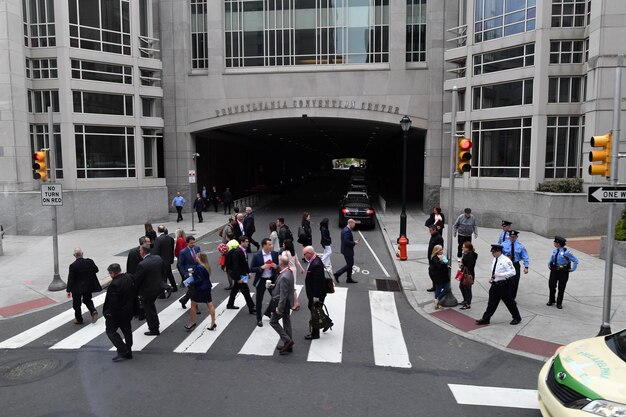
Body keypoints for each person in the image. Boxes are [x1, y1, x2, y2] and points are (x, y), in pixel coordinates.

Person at [475, 244, 522, 326]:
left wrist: (500, 275)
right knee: (491, 302)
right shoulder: (495, 259)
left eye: (493, 252)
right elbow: (494, 271)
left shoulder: (506, 260)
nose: (492, 254)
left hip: (504, 285)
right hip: (495, 284)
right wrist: (492, 278)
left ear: (498, 251)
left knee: (509, 302)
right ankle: (486, 318)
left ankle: (517, 317)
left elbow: (513, 272)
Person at [103, 263, 136, 362]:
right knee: (127, 331)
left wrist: (109, 314)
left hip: (118, 314)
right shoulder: (129, 277)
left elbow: (113, 303)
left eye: (110, 273)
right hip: (129, 310)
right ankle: (129, 351)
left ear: (113, 273)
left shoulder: (114, 284)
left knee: (110, 331)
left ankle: (123, 350)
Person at [134, 244, 164, 336]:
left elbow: (137, 280)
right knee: (151, 308)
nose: (139, 252)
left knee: (149, 310)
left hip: (147, 291)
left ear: (143, 252)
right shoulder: (158, 258)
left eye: (140, 251)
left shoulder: (142, 264)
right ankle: (155, 325)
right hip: (157, 288)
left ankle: (154, 329)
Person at [66, 247, 102, 324]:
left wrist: (68, 290)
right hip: (88, 286)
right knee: (87, 300)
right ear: (82, 254)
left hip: (77, 288)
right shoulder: (90, 262)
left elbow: (71, 279)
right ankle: (93, 311)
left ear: (74, 255)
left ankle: (79, 319)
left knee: (77, 304)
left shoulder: (73, 266)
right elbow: (96, 270)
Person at [249, 238, 279, 326]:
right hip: (261, 280)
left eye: (271, 244)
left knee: (275, 297)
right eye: (269, 244)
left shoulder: (274, 254)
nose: (271, 246)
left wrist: (275, 266)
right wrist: (262, 267)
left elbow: (278, 267)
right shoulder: (257, 256)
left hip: (271, 279)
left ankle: (268, 312)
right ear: (264, 245)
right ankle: (259, 319)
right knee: (259, 299)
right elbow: (251, 269)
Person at [270, 255, 296, 355]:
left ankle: (287, 340)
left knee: (273, 322)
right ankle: (288, 344)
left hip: (283, 304)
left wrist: (279, 308)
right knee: (286, 322)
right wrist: (274, 285)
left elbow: (283, 295)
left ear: (281, 263)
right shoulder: (288, 272)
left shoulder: (284, 276)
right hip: (288, 302)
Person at [185, 252, 217, 331]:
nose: (195, 258)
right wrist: (193, 273)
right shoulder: (206, 266)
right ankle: (213, 323)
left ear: (200, 258)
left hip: (200, 289)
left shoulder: (199, 267)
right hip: (207, 287)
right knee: (210, 304)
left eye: (197, 257)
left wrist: (191, 283)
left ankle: (192, 322)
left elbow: (199, 279)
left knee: (193, 304)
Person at [225, 235, 256, 314]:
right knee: (246, 291)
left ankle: (230, 304)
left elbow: (244, 263)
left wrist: (248, 272)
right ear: (242, 242)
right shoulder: (237, 252)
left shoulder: (243, 250)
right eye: (246, 242)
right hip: (239, 275)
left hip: (241, 274)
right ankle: (251, 307)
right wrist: (238, 278)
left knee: (235, 290)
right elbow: (236, 266)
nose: (248, 243)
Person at [547, 236, 578, 309]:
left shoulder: (566, 252)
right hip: (554, 270)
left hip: (563, 271)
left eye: (555, 242)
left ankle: (559, 303)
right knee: (551, 285)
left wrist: (572, 269)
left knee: (561, 287)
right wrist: (549, 263)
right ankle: (551, 300)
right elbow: (552, 258)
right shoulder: (555, 250)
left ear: (558, 243)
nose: (554, 243)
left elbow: (576, 261)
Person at [303, 245, 327, 340]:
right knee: (317, 311)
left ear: (309, 253)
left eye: (305, 254)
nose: (304, 256)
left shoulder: (316, 264)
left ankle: (315, 334)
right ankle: (326, 323)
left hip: (316, 294)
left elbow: (317, 283)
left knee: (314, 313)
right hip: (315, 293)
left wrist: (316, 297)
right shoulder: (315, 259)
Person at [501, 230, 529, 301]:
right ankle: (504, 296)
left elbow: (525, 256)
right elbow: (500, 255)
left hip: (515, 265)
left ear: (516, 237)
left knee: (514, 283)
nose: (512, 238)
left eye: (514, 237)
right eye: (511, 237)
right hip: (506, 265)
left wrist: (526, 267)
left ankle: (512, 298)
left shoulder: (520, 246)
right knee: (505, 282)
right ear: (509, 237)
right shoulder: (504, 244)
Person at [177, 235, 201, 314]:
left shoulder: (197, 248)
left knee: (192, 290)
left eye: (194, 242)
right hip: (189, 274)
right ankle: (195, 307)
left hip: (197, 272)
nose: (193, 244)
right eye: (191, 243)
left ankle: (183, 300)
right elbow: (180, 264)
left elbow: (200, 259)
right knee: (194, 290)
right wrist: (185, 274)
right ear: (187, 243)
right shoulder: (183, 252)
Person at [333, 218, 359, 284]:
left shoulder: (345, 229)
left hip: (346, 250)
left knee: (350, 264)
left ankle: (349, 278)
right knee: (350, 264)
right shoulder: (347, 231)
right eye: (354, 224)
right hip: (347, 251)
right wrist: (354, 243)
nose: (354, 225)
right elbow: (346, 241)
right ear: (350, 223)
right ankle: (337, 274)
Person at [152, 225, 177, 292]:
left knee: (163, 277)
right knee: (169, 274)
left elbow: (156, 251)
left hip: (161, 261)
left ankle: (163, 291)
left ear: (158, 230)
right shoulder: (170, 239)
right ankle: (174, 287)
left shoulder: (158, 239)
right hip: (168, 260)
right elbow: (172, 250)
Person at [280, 239, 303, 311]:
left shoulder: (284, 253)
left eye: (283, 244)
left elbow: (283, 263)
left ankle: (296, 303)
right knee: (292, 286)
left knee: (291, 287)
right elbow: (297, 262)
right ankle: (292, 302)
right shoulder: (293, 252)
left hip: (288, 270)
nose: (282, 245)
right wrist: (301, 269)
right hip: (294, 269)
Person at [429, 245, 450, 310]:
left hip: (444, 276)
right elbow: (439, 267)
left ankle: (437, 300)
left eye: (442, 250)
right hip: (439, 277)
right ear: (436, 251)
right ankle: (437, 303)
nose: (441, 251)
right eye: (440, 250)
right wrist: (441, 261)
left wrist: (446, 266)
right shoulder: (434, 258)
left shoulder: (441, 256)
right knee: (438, 289)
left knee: (446, 288)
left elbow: (443, 265)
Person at [459, 241, 477, 310]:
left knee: (467, 289)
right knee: (462, 286)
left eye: (464, 247)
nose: (462, 248)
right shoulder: (466, 253)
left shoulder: (470, 255)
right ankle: (465, 300)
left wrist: (463, 264)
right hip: (464, 273)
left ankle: (467, 303)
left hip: (468, 274)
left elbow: (470, 266)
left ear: (468, 248)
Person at [426, 224, 444, 292]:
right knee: (431, 272)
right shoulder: (433, 236)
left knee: (433, 273)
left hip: (435, 259)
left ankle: (437, 286)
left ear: (434, 230)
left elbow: (439, 249)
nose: (429, 232)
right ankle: (434, 286)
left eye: (430, 230)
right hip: (431, 257)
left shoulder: (438, 238)